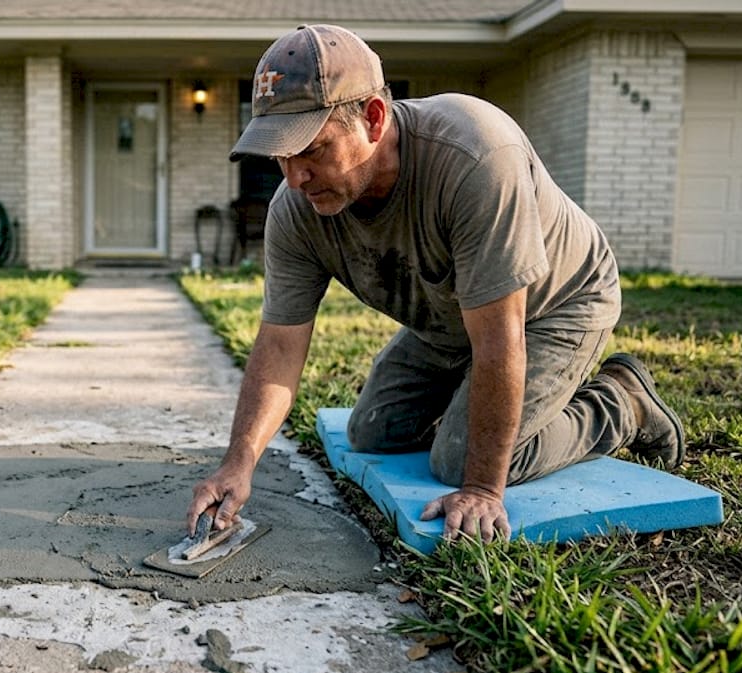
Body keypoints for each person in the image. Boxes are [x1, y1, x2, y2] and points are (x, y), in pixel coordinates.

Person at [186, 24, 685, 543]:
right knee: (372, 431)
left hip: (554, 305)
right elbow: (280, 343)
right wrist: (238, 463)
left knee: (459, 460)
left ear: (374, 119)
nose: (294, 177)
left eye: (311, 149)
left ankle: (621, 403)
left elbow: (501, 338)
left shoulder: (475, 157)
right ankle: (477, 400)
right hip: (451, 317)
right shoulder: (296, 211)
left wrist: (482, 488)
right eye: (279, 155)